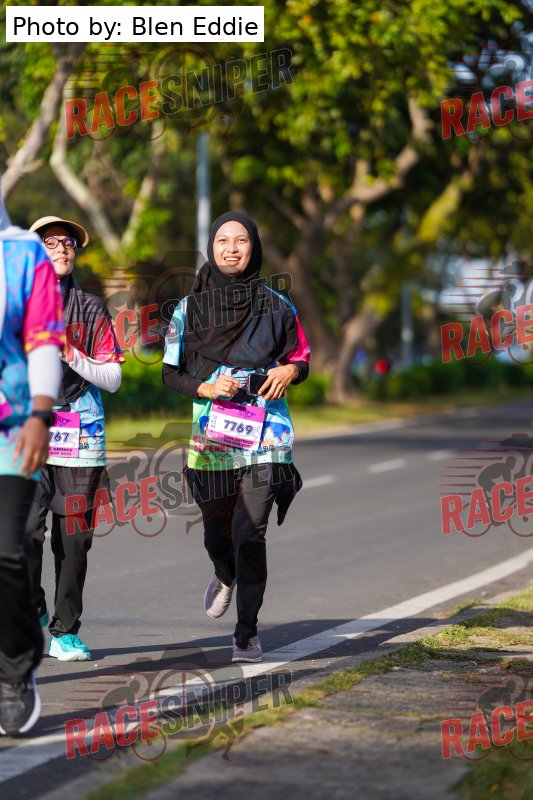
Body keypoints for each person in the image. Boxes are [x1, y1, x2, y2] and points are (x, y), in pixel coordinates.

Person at [163, 211, 310, 662]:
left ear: (254, 246)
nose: (231, 248)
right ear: (211, 247)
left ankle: (246, 633)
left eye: (241, 240)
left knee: (250, 532)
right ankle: (224, 573)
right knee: (218, 534)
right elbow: (171, 373)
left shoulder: (278, 306)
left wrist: (289, 371)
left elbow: (301, 358)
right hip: (213, 439)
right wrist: (206, 388)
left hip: (268, 436)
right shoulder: (188, 310)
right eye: (223, 240)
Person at [25, 216, 124, 662]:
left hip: (80, 431)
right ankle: (35, 612)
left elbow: (113, 378)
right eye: (51, 243)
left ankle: (65, 632)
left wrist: (70, 352)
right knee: (23, 531)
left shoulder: (90, 308)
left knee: (74, 538)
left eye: (68, 242)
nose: (62, 248)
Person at [0, 193, 64, 735]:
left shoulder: (23, 254)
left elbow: (43, 337)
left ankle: (15, 668)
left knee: (7, 550)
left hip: (12, 428)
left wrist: (42, 413)